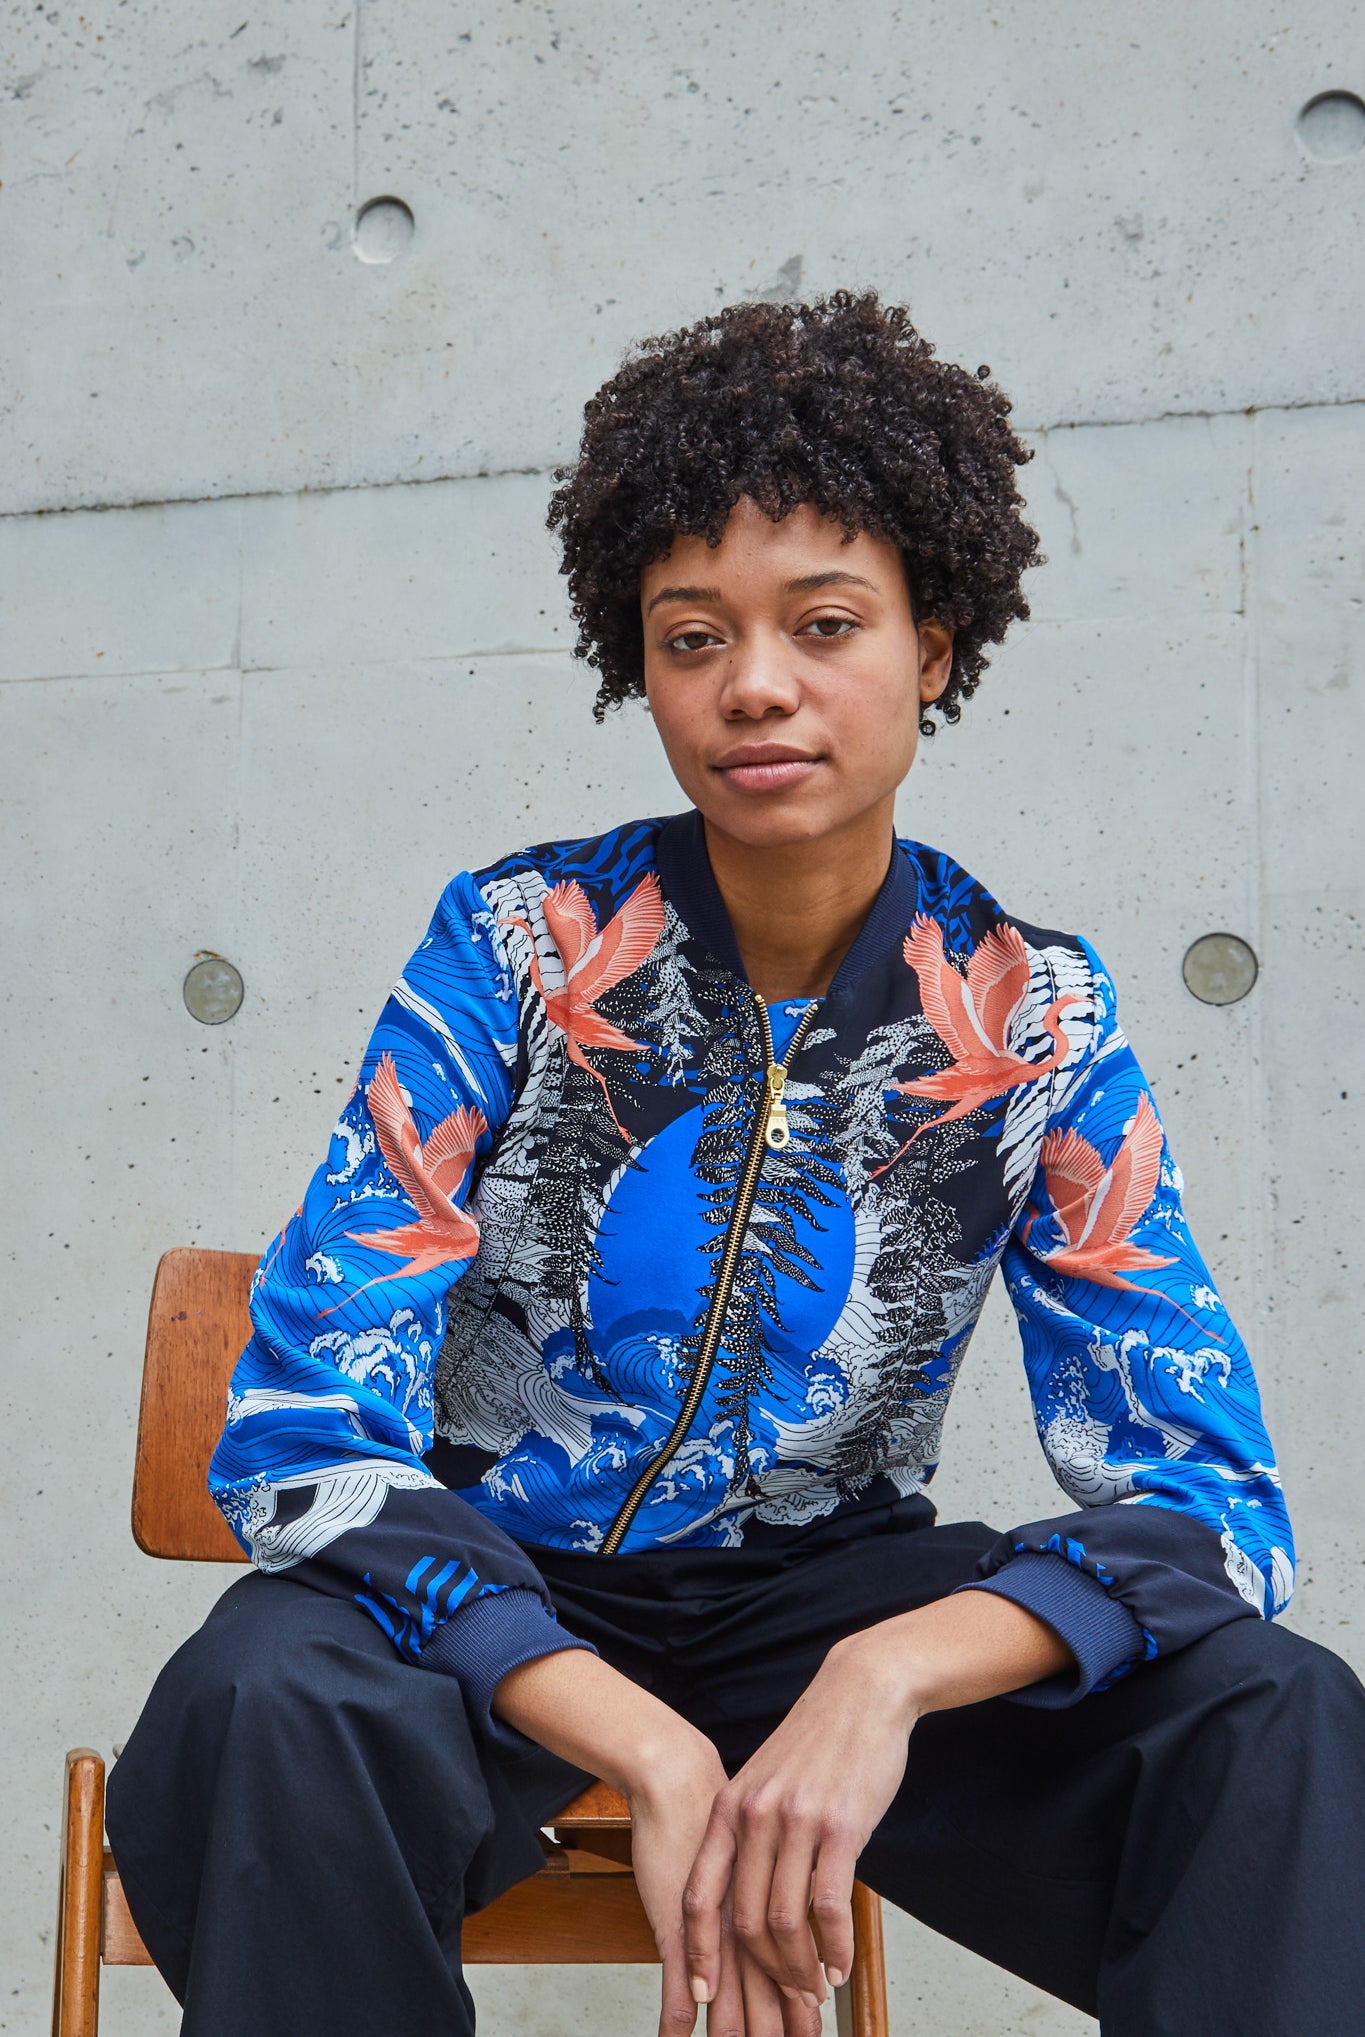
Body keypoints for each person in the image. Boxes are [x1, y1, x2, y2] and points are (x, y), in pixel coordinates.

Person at [108, 293, 1364, 2037]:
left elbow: (1215, 1503)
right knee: (265, 1697)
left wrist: (883, 1669)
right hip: (494, 1585)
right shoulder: (522, 944)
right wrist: (638, 1731)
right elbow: (303, 1427)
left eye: (824, 623)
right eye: (690, 636)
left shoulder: (1034, 1012)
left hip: (830, 1588)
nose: (752, 684)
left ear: (934, 643)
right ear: (643, 663)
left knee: (1273, 1721)